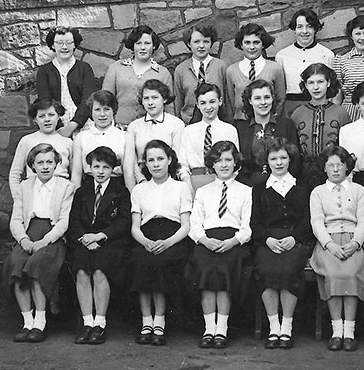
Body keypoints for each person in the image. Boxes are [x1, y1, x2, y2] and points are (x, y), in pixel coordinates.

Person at [3, 144, 75, 342]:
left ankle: (40, 322)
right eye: (40, 163)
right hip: (28, 233)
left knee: (36, 265)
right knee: (16, 264)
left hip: (52, 237)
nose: (45, 167)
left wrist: (45, 240)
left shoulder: (66, 187)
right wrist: (23, 239)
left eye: (49, 162)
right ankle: (27, 321)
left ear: (56, 164)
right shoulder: (25, 186)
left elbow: (63, 221)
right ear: (33, 166)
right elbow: (16, 219)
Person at [187, 141, 252, 349]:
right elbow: (194, 224)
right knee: (206, 270)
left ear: (235, 163)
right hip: (207, 239)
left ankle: (221, 329)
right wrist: (204, 240)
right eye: (218, 161)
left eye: (228, 160)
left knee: (223, 271)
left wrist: (233, 241)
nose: (223, 165)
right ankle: (209, 329)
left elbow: (247, 227)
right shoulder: (203, 192)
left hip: (232, 241)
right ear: (211, 165)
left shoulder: (246, 191)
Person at [309, 146, 364, 352]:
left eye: (340, 165)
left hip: (354, 241)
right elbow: (317, 222)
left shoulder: (358, 190)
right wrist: (329, 245)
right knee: (334, 273)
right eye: (331, 165)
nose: (336, 169)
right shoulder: (318, 192)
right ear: (325, 168)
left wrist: (356, 243)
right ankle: (337, 330)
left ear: (347, 167)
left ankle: (350, 331)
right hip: (328, 243)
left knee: (351, 272)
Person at [251, 138, 313, 349]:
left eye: (283, 158)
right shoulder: (259, 189)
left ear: (290, 160)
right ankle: (273, 326)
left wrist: (294, 238)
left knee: (288, 270)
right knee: (267, 269)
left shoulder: (302, 187)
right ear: (267, 161)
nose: (279, 162)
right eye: (274, 158)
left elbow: (308, 220)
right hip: (267, 241)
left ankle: (287, 326)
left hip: (295, 240)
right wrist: (267, 239)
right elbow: (255, 222)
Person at [130, 140, 192, 346]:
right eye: (151, 160)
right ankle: (146, 321)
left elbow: (186, 226)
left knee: (159, 263)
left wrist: (168, 242)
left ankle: (160, 322)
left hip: (173, 238)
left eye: (160, 159)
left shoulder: (181, 187)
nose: (156, 164)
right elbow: (135, 227)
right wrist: (145, 241)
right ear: (145, 164)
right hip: (146, 237)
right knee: (141, 261)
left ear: (169, 160)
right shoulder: (139, 190)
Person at [67, 146, 131, 345]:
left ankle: (100, 323)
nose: (101, 171)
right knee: (81, 270)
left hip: (110, 242)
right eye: (96, 166)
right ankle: (87, 321)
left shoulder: (120, 191)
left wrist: (100, 236)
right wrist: (85, 238)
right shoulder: (82, 191)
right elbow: (74, 220)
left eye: (106, 167)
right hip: (85, 241)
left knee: (100, 270)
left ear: (113, 169)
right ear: (90, 168)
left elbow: (123, 221)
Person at [291, 63, 350, 189]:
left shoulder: (340, 113)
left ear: (328, 83)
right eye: (311, 83)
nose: (316, 87)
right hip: (303, 174)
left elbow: (347, 147)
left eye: (320, 82)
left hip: (333, 172)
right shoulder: (298, 113)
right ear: (306, 85)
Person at [102, 25, 174, 127]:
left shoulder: (162, 73)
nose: (143, 47)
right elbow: (105, 100)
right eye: (138, 43)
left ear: (153, 46)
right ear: (133, 45)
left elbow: (169, 108)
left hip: (151, 129)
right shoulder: (116, 68)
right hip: (119, 128)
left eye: (147, 43)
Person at [234, 79, 299, 186]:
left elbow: (295, 160)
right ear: (250, 101)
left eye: (267, 97)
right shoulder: (241, 128)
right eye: (257, 98)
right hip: (250, 186)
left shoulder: (286, 125)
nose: (263, 102)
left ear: (273, 98)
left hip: (282, 185)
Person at [179, 83, 239, 193]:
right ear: (197, 104)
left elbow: (236, 163)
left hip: (222, 181)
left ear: (220, 101)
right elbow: (182, 164)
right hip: (194, 182)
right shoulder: (189, 131)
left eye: (212, 102)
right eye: (203, 103)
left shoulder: (229, 130)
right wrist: (188, 184)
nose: (208, 107)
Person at [36, 26, 96, 137]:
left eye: (69, 42)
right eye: (59, 43)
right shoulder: (44, 72)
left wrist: (73, 125)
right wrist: (59, 128)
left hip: (84, 123)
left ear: (74, 45)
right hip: (56, 126)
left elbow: (89, 100)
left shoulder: (85, 68)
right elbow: (45, 102)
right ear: (53, 45)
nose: (64, 47)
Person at [124, 79, 184, 189]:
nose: (150, 102)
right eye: (146, 98)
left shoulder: (176, 124)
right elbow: (131, 160)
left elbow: (177, 157)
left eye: (155, 98)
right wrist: (142, 181)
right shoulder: (134, 126)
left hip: (169, 182)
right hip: (142, 181)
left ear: (164, 99)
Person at [275, 8, 335, 117]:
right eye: (300, 27)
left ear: (316, 29)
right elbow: (280, 90)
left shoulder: (327, 54)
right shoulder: (282, 56)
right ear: (294, 29)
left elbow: (331, 87)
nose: (304, 31)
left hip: (318, 106)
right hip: (290, 107)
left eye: (309, 26)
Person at [8, 98, 73, 196]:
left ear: (58, 116)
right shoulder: (27, 141)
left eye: (51, 115)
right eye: (42, 116)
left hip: (61, 194)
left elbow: (75, 174)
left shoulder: (67, 142)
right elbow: (15, 174)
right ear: (35, 119)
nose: (47, 119)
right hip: (34, 193)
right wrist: (18, 198)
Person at [225, 23, 285, 122]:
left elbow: (280, 99)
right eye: (247, 43)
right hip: (241, 124)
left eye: (256, 42)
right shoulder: (231, 71)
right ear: (241, 44)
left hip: (268, 123)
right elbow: (231, 102)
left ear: (263, 45)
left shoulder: (275, 68)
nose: (251, 47)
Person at [71, 90, 129, 189]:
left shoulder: (124, 136)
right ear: (91, 112)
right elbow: (76, 173)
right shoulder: (81, 137)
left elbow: (128, 173)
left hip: (116, 186)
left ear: (114, 111)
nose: (102, 114)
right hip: (89, 186)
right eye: (97, 110)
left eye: (106, 109)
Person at [174, 25, 229, 124]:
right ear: (189, 43)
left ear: (211, 43)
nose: (201, 46)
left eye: (206, 41)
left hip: (218, 121)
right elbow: (178, 101)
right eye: (196, 42)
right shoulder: (181, 70)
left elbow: (227, 98)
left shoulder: (221, 66)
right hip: (189, 123)